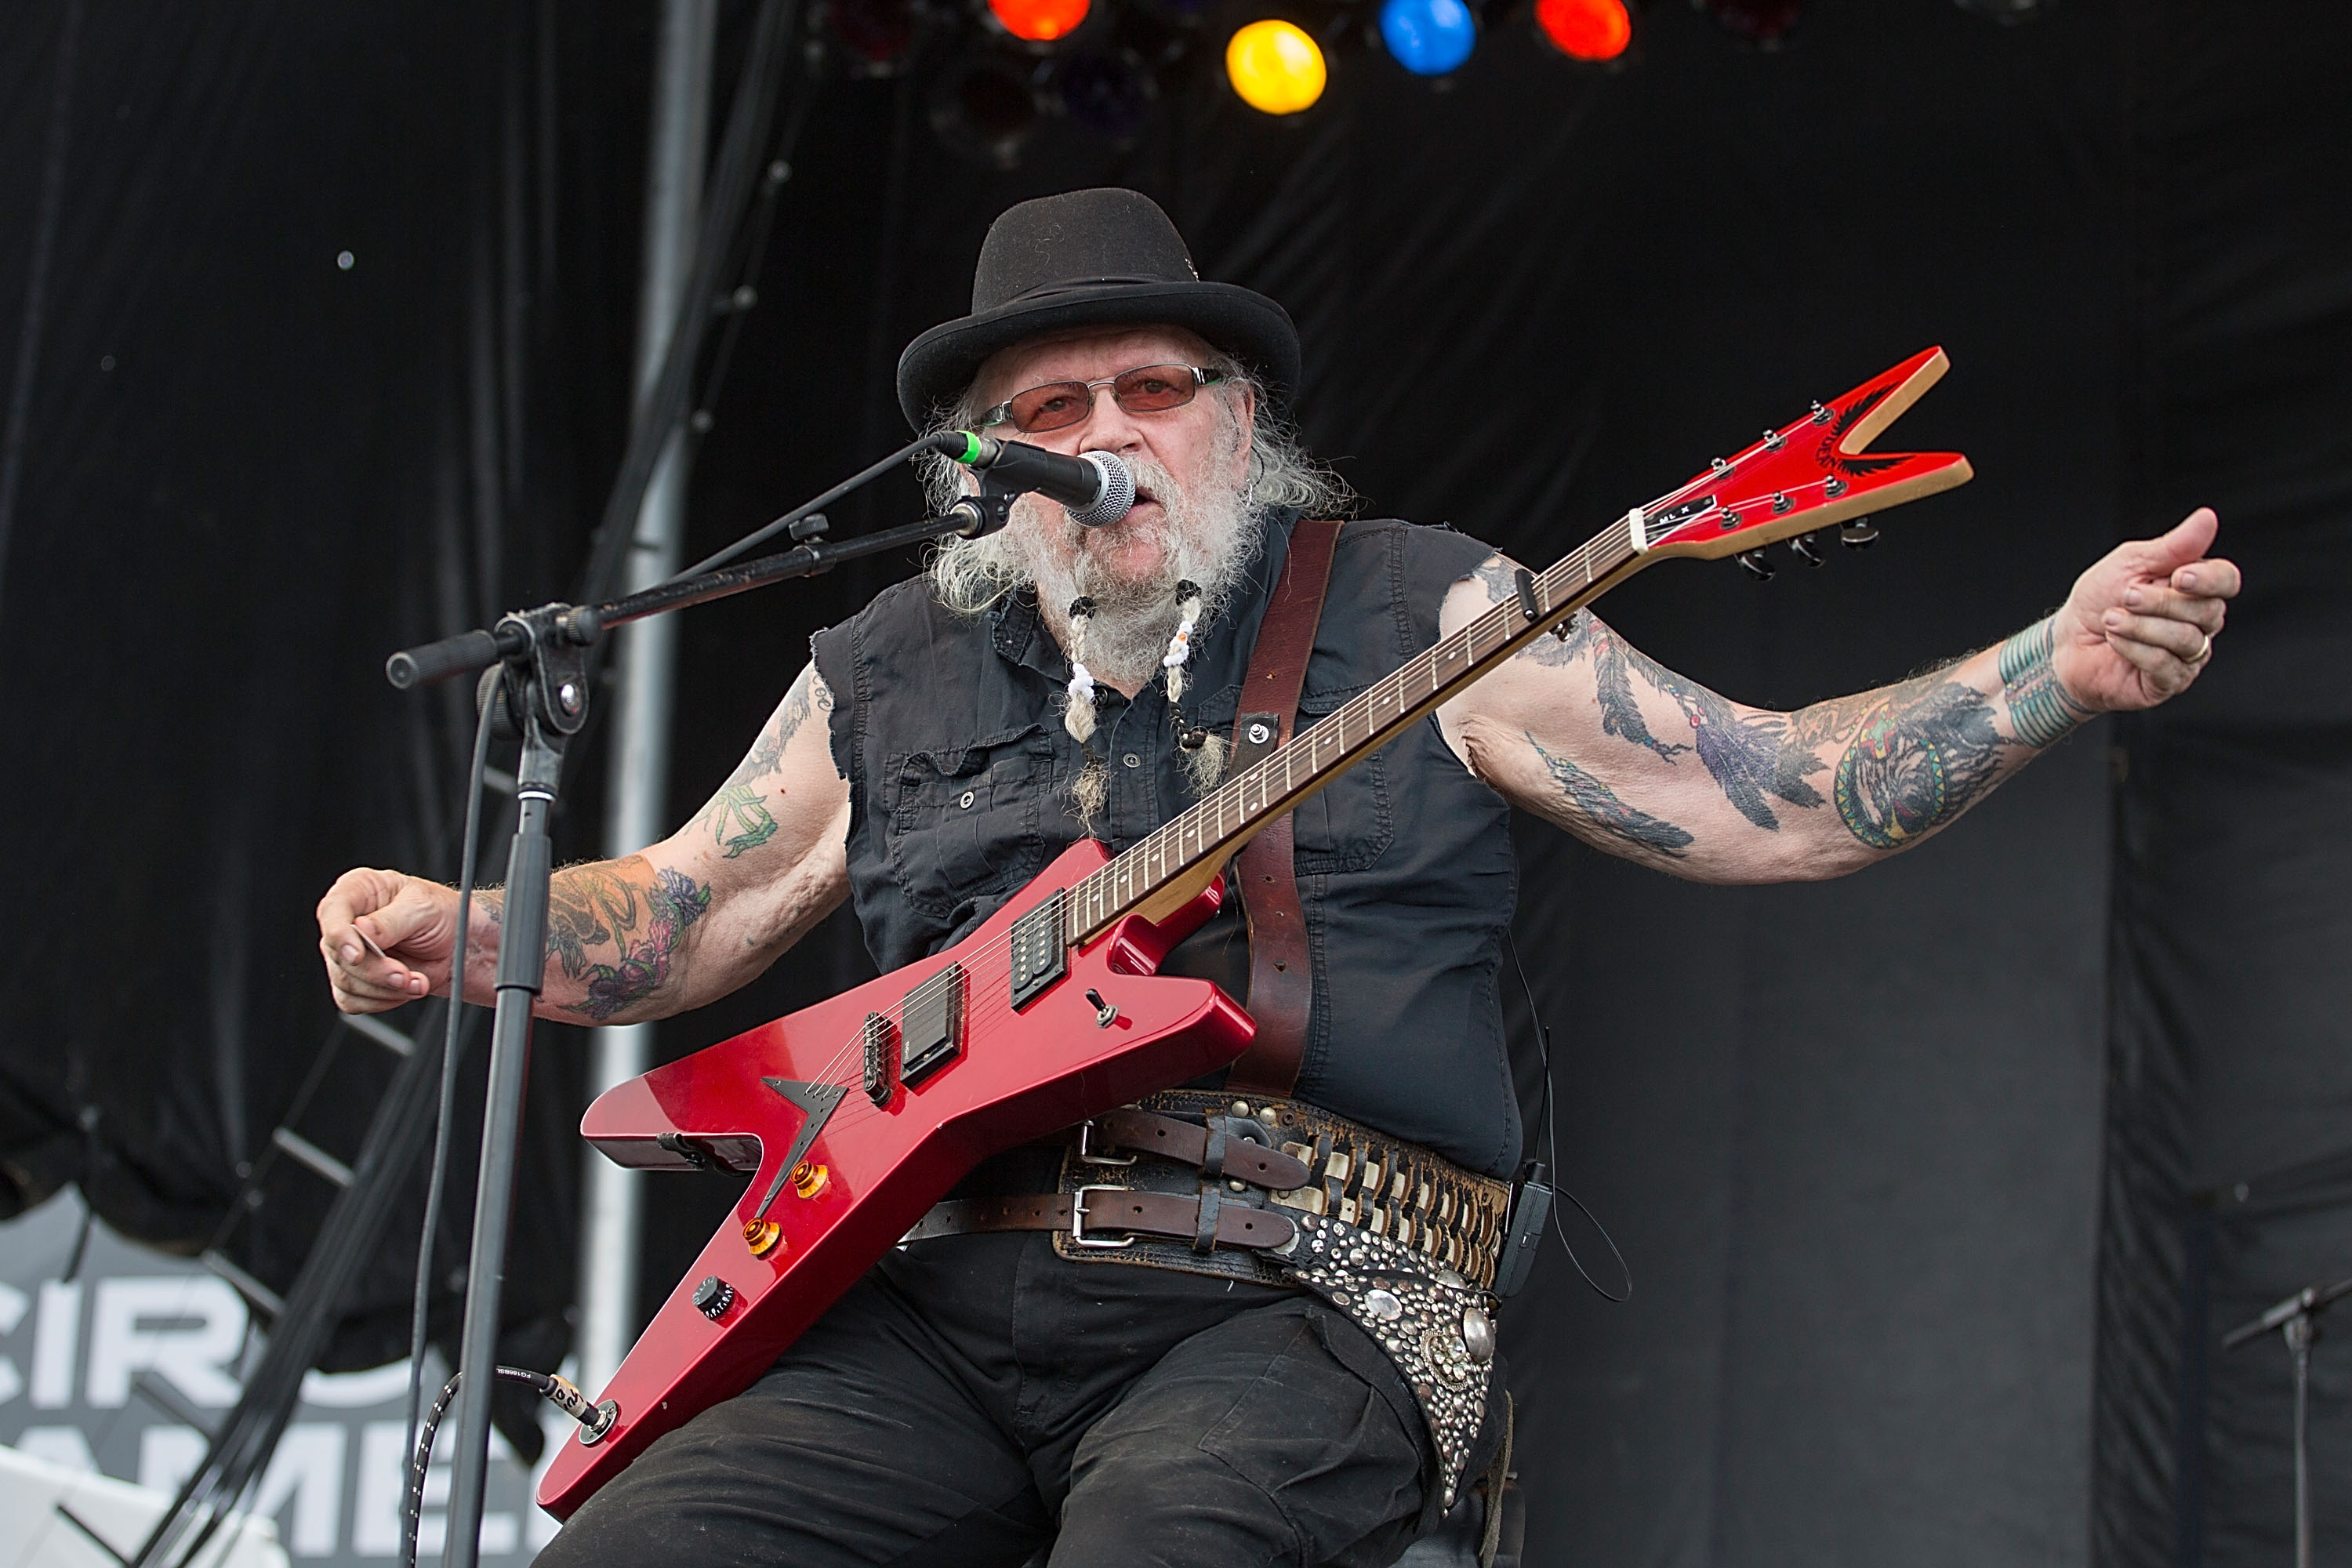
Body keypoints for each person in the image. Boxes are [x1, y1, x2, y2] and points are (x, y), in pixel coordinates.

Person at [318, 188, 2237, 1567]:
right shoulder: (889, 668)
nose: (1106, 443)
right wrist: (464, 932)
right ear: (984, 469)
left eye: (1150, 390)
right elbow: (682, 912)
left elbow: (1781, 792)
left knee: (1174, 1538)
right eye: (1050, 417)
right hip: (925, 1309)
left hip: (1298, 1296)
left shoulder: (1428, 612)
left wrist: (2049, 668)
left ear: (1244, 420)